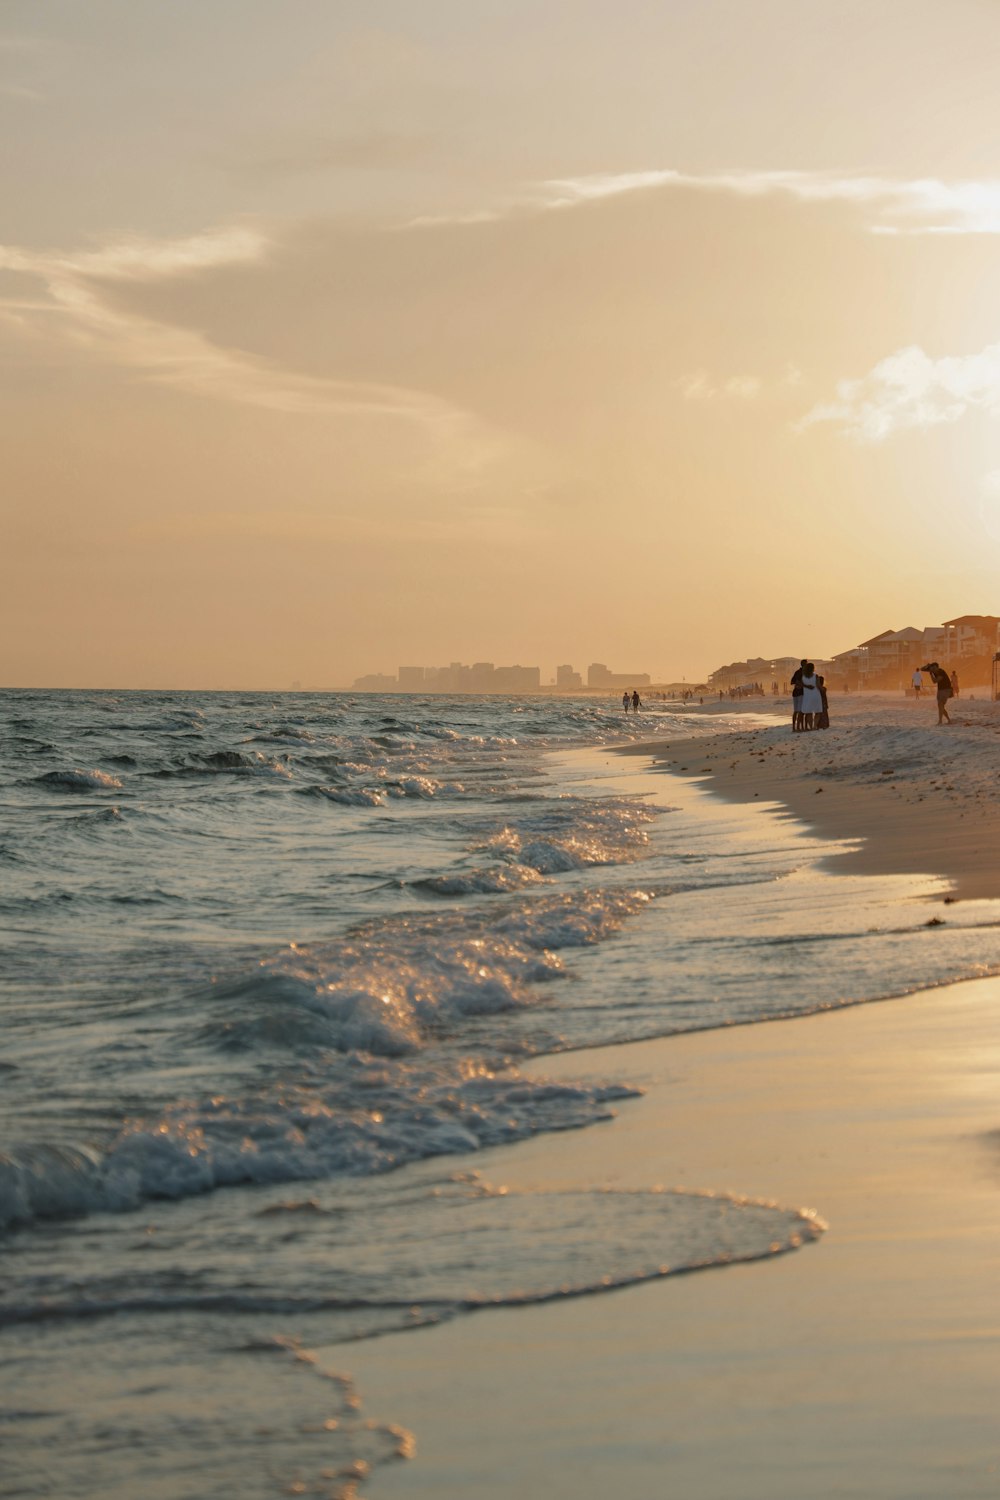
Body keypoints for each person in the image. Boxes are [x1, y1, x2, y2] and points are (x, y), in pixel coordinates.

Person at [798, 662, 823, 729]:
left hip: (807, 696)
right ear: (813, 668)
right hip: (816, 695)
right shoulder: (816, 676)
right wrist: (822, 689)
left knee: (809, 712)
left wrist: (807, 686)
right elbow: (818, 686)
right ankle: (815, 726)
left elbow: (800, 685)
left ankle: (811, 727)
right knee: (817, 711)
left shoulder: (803, 676)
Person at [790, 658, 807, 731]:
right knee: (801, 711)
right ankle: (800, 727)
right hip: (800, 693)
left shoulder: (797, 672)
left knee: (796, 711)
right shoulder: (804, 673)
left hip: (795, 693)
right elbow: (795, 682)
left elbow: (792, 682)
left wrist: (797, 683)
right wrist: (800, 684)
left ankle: (795, 727)